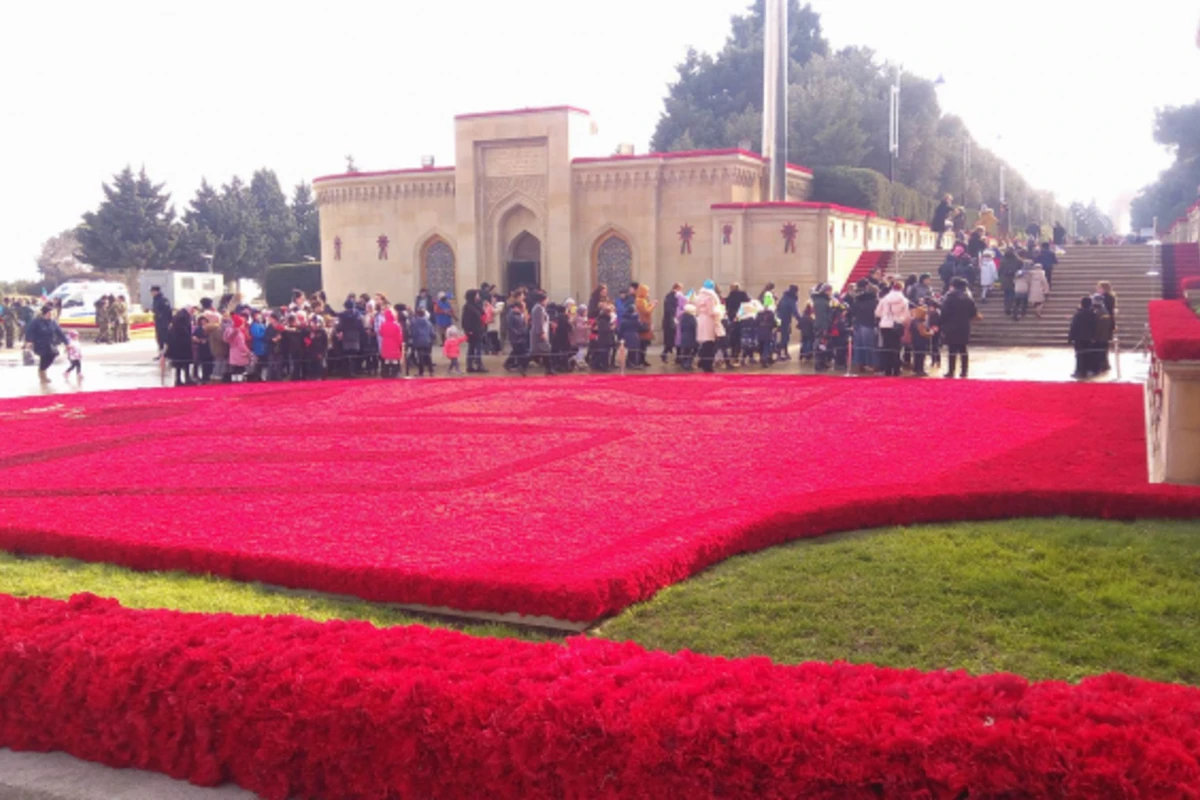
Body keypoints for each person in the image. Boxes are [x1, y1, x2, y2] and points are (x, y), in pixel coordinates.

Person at [940, 277, 978, 379]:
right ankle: (964, 371)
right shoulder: (968, 297)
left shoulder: (950, 297)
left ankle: (951, 371)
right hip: (964, 326)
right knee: (963, 350)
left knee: (952, 350)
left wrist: (941, 323)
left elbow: (944, 313)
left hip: (951, 326)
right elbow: (973, 313)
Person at [23, 304, 68, 383]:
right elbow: (29, 331)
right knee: (44, 357)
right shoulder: (36, 321)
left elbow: (60, 332)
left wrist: (67, 343)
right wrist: (29, 341)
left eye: (52, 313)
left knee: (53, 355)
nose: (51, 315)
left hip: (50, 343)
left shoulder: (53, 322)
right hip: (40, 343)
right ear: (44, 313)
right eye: (49, 313)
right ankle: (42, 375)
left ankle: (42, 369)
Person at [875, 280, 911, 377]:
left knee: (886, 347)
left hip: (885, 325)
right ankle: (896, 369)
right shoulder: (904, 300)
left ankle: (887, 370)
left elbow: (877, 313)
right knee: (896, 348)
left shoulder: (884, 299)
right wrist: (899, 319)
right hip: (897, 325)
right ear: (902, 289)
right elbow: (906, 316)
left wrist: (885, 316)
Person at [693, 280, 722, 373]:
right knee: (709, 343)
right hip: (708, 320)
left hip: (700, 319)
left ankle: (703, 361)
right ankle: (707, 364)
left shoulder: (699, 296)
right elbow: (711, 311)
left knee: (704, 343)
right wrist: (719, 311)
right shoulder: (710, 297)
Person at [850, 279, 878, 374]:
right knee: (869, 346)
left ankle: (858, 364)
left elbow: (853, 312)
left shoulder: (857, 300)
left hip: (858, 324)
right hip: (869, 324)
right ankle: (870, 364)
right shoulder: (874, 301)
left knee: (858, 346)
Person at [1068, 296, 1098, 379]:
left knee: (1079, 355)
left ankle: (1079, 371)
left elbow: (1074, 326)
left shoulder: (1078, 314)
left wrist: (1070, 338)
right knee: (1088, 354)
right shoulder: (1093, 314)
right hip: (1089, 337)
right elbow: (1095, 326)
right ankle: (1087, 370)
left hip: (1079, 338)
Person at [166, 308, 194, 386]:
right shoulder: (183, 324)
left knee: (178, 364)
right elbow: (187, 334)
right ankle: (186, 378)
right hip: (184, 347)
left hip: (176, 349)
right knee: (186, 363)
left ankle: (178, 379)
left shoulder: (173, 327)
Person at [462, 289, 487, 374]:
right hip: (472, 331)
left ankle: (477, 365)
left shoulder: (476, 306)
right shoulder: (468, 307)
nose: (478, 297)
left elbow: (482, 314)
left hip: (478, 330)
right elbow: (465, 320)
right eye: (477, 295)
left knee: (476, 348)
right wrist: (468, 330)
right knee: (473, 349)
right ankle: (472, 366)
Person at [724, 283, 750, 363]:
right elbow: (748, 302)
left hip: (732, 318)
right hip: (741, 318)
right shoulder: (743, 294)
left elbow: (727, 307)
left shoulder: (729, 296)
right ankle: (737, 353)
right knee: (739, 337)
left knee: (733, 336)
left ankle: (733, 353)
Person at [774, 285, 801, 360]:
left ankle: (784, 353)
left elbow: (778, 308)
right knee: (785, 337)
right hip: (785, 320)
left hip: (779, 319)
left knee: (784, 336)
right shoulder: (791, 299)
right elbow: (795, 311)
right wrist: (800, 320)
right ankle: (778, 350)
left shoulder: (784, 297)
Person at [530, 292, 553, 376]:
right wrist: (541, 332)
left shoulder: (540, 308)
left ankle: (549, 370)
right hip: (539, 333)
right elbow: (538, 322)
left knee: (544, 352)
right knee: (544, 350)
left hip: (542, 332)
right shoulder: (538, 309)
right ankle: (549, 369)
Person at [909, 304, 933, 377]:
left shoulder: (913, 321)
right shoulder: (920, 323)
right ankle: (920, 370)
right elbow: (923, 333)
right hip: (921, 342)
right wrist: (931, 333)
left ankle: (916, 369)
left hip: (915, 341)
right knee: (921, 356)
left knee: (916, 356)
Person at [378, 308, 404, 377]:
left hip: (385, 344)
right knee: (394, 360)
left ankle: (385, 373)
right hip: (394, 344)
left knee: (387, 360)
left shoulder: (383, 324)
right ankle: (394, 373)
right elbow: (399, 336)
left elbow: (380, 333)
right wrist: (400, 344)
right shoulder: (396, 325)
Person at [507, 301, 530, 376]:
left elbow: (523, 324)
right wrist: (517, 333)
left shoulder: (519, 314)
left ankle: (521, 367)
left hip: (521, 336)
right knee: (519, 352)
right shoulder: (511, 314)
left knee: (519, 352)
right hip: (516, 337)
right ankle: (521, 367)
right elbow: (510, 326)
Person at [410, 309, 435, 377]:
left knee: (420, 356)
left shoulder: (414, 322)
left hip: (418, 340)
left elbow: (413, 333)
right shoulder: (428, 322)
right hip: (427, 340)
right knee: (428, 356)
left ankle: (421, 372)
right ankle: (431, 371)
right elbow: (432, 332)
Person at [635, 285, 656, 367]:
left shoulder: (643, 300)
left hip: (646, 324)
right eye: (647, 292)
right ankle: (640, 360)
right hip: (643, 325)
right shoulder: (640, 301)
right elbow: (646, 312)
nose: (648, 294)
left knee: (644, 345)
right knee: (642, 345)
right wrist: (653, 305)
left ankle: (642, 360)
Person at [998, 248, 1022, 315]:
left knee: (1006, 294)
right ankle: (1010, 307)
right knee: (1011, 294)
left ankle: (1007, 307)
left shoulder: (1003, 260)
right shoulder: (1017, 260)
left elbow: (1000, 270)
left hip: (1005, 279)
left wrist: (1000, 278)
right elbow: (1021, 269)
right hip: (1014, 279)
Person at [661, 284, 681, 364]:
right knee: (674, 340)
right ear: (677, 288)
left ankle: (677, 357)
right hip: (671, 322)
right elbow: (671, 309)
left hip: (669, 321)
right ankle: (666, 355)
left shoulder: (668, 296)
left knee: (673, 341)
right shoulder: (673, 297)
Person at [150, 286, 172, 355]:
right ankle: (161, 353)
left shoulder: (163, 300)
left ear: (157, 291)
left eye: (152, 291)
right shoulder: (155, 299)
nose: (151, 293)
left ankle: (167, 353)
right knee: (159, 338)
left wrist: (168, 321)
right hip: (158, 322)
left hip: (164, 323)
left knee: (165, 338)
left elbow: (168, 311)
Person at [678, 303, 698, 370]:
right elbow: (694, 328)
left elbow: (681, 328)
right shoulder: (692, 318)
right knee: (695, 349)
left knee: (686, 351)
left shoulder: (683, 317)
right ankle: (688, 363)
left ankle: (684, 363)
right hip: (691, 337)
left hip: (684, 336)